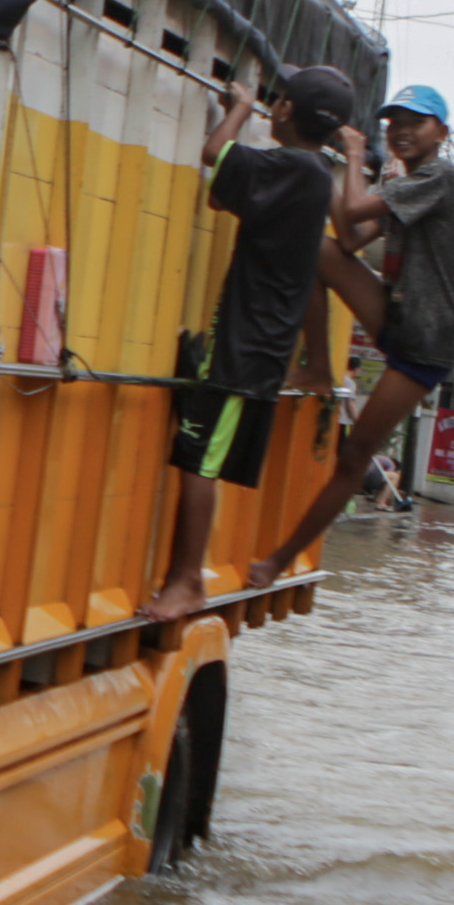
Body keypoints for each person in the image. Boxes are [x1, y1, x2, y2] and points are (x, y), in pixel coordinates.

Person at [140, 64, 362, 625]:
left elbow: (215, 153)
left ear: (282, 109)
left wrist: (238, 105)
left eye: (275, 100)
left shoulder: (294, 168)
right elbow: (223, 197)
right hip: (253, 341)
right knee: (200, 456)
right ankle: (183, 578)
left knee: (200, 461)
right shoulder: (309, 174)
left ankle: (186, 581)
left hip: (248, 344)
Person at [244, 83, 454, 591]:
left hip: (423, 344)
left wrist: (349, 153)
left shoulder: (439, 176)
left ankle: (276, 562)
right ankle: (321, 369)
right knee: (316, 250)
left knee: (353, 460)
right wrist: (321, 154)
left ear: (442, 132)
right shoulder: (405, 182)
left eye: (416, 122)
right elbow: (347, 238)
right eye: (394, 123)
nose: (403, 132)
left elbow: (349, 212)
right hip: (398, 315)